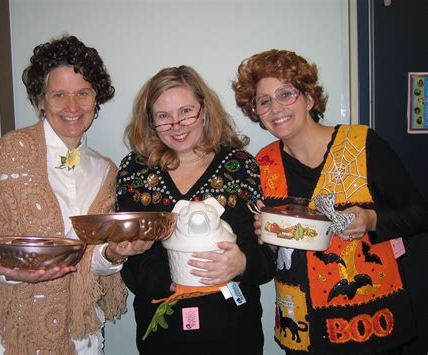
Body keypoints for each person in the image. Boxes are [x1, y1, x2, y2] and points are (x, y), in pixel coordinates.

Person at [0, 35, 151, 354]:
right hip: (8, 336)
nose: (72, 107)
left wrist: (114, 254)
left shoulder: (106, 170)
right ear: (40, 100)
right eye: (59, 94)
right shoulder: (10, 153)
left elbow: (89, 260)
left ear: (95, 98)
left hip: (79, 336)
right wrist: (10, 272)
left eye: (82, 93)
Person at [232, 49, 428, 355]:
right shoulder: (262, 163)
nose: (276, 107)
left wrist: (372, 220)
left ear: (309, 98)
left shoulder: (362, 144)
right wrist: (265, 235)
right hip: (301, 327)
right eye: (264, 100)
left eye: (287, 94)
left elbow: (419, 214)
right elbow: (267, 253)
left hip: (370, 324)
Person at [116, 65, 277, 355]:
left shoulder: (239, 166)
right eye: (163, 116)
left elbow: (266, 253)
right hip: (163, 337)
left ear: (204, 109)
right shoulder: (135, 171)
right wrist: (173, 280)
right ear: (150, 122)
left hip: (234, 333)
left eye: (186, 111)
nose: (176, 125)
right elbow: (128, 259)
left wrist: (241, 263)